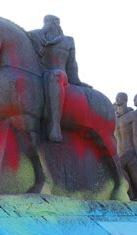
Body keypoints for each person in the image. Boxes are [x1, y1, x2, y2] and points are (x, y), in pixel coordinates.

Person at [30, 15, 90, 143]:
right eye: (51, 21)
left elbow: (72, 64)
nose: (55, 24)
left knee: (55, 75)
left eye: (56, 22)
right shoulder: (34, 36)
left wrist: (76, 81)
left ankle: (55, 125)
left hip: (59, 74)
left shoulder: (68, 41)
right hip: (38, 73)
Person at [114, 93, 137, 201]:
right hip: (119, 151)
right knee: (130, 170)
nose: (117, 99)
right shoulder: (115, 118)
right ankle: (132, 194)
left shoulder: (132, 114)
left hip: (130, 149)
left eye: (119, 97)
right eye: (116, 97)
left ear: (125, 99)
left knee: (121, 167)